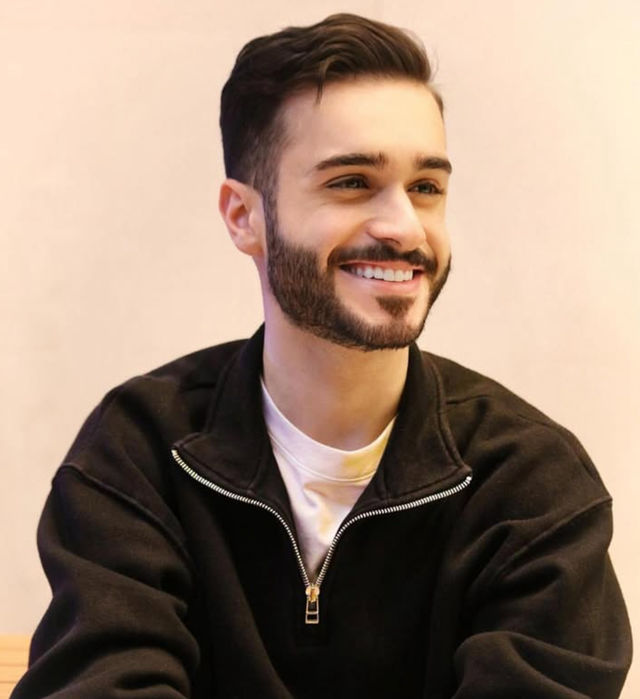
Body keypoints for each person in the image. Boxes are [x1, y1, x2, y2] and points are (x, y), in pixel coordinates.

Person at [13, 13, 632, 699]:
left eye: (426, 188)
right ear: (243, 216)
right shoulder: (141, 452)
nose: (404, 227)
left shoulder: (532, 484)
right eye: (351, 182)